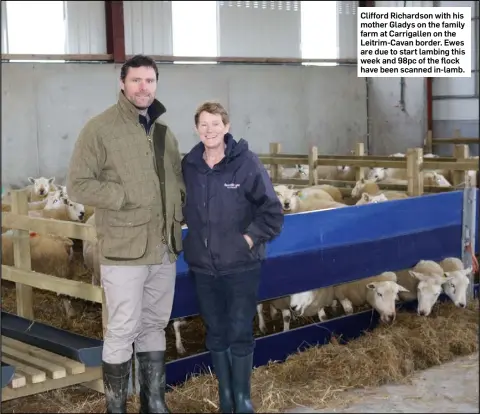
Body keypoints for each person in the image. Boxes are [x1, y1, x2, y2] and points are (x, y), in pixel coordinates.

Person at [66, 54, 185, 413]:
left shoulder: (165, 133)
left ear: (156, 85)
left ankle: (154, 402)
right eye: (136, 80)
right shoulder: (99, 129)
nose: (143, 87)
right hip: (123, 249)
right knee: (122, 329)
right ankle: (116, 407)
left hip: (163, 249)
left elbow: (178, 183)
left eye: (149, 81)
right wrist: (122, 196)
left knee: (154, 325)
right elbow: (77, 185)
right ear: (122, 83)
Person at [181, 101, 284, 413]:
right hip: (203, 266)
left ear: (226, 127)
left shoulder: (246, 163)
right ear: (197, 128)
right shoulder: (190, 165)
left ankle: (243, 400)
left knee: (239, 330)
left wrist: (248, 239)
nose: (210, 130)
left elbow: (272, 211)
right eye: (204, 124)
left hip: (240, 265)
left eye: (216, 124)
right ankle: (226, 399)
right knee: (215, 332)